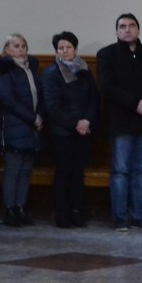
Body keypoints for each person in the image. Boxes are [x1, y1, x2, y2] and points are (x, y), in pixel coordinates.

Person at [96, 13, 142, 232]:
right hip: (120, 121)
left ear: (138, 29)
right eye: (122, 26)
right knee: (120, 170)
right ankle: (119, 217)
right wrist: (134, 103)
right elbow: (107, 87)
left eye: (131, 26)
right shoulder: (107, 54)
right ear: (116, 31)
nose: (127, 29)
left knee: (141, 170)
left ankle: (140, 216)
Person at [42, 31, 98, 229]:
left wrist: (87, 120)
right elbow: (53, 107)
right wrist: (76, 123)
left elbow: (93, 98)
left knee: (78, 173)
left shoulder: (84, 70)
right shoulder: (52, 73)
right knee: (63, 173)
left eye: (68, 47)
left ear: (75, 49)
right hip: (62, 132)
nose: (65, 51)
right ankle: (62, 214)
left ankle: (76, 211)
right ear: (56, 51)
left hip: (83, 131)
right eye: (61, 48)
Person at [0, 34, 44, 227]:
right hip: (13, 125)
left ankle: (20, 207)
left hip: (31, 128)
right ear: (7, 50)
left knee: (25, 170)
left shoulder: (31, 70)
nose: (20, 49)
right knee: (13, 170)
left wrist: (39, 116)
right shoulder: (4, 71)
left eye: (23, 46)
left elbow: (39, 97)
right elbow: (8, 100)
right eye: (16, 46)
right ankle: (9, 209)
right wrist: (33, 118)